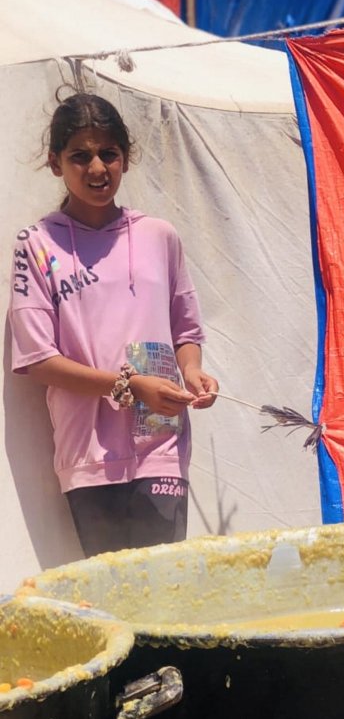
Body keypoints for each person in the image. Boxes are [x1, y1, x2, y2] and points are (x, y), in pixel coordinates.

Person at [8, 93, 217, 555]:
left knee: (164, 588)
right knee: (118, 596)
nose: (97, 168)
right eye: (79, 156)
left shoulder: (159, 236)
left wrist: (194, 371)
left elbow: (186, 330)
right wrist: (129, 384)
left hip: (160, 444)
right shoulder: (36, 245)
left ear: (126, 157)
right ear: (54, 162)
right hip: (88, 454)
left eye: (109, 153)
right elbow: (38, 359)